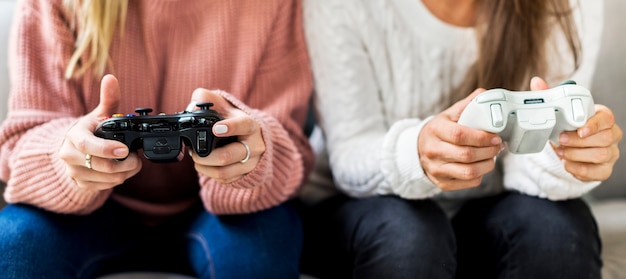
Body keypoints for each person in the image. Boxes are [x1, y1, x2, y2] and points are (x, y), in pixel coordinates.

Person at [300, 0, 623, 278]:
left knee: (556, 230)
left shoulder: (566, 6)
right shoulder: (343, 6)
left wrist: (566, 150)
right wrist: (416, 154)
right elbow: (351, 151)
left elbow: (529, 164)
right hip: (360, 206)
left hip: (489, 207)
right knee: (408, 235)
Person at [0, 0, 314, 278]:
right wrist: (67, 158)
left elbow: (293, 146)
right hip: (92, 211)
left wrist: (252, 153)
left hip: (218, 213)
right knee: (16, 243)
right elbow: (20, 142)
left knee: (260, 253)